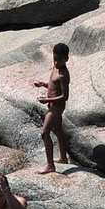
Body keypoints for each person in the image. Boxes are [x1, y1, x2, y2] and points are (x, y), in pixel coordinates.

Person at [32, 42, 70, 174]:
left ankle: (50, 165)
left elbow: (65, 96)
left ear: (66, 59)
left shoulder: (63, 75)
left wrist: (46, 100)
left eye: (60, 60)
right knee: (58, 130)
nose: (56, 63)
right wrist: (42, 84)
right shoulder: (55, 68)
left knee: (45, 133)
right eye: (55, 59)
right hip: (52, 104)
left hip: (57, 107)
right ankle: (63, 158)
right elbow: (53, 86)